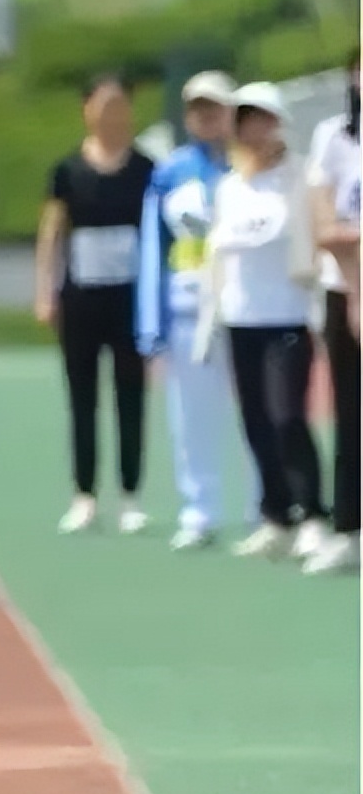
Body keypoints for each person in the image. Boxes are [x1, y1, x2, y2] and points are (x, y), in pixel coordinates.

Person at [195, 83, 328, 561]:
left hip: (288, 317)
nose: (253, 129)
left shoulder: (301, 178)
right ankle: (277, 515)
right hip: (241, 319)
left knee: (288, 415)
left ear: (277, 123)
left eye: (262, 118)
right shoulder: (231, 185)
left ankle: (313, 514)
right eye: (244, 120)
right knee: (255, 421)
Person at [136, 71, 257, 549]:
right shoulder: (170, 172)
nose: (208, 117)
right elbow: (152, 249)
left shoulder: (251, 167)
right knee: (191, 415)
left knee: (257, 412)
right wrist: (151, 322)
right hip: (188, 308)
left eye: (217, 108)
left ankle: (264, 507)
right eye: (198, 109)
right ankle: (199, 509)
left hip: (245, 308)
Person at [35, 75, 154, 535]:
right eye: (103, 105)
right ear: (87, 110)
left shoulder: (146, 168)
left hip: (131, 299)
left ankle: (131, 495)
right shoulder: (68, 171)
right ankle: (84, 494)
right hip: (81, 299)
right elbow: (52, 233)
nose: (112, 114)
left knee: (131, 396)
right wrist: (45, 290)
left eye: (120, 104)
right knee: (82, 398)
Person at [303, 49, 361, 574]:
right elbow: (325, 226)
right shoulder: (334, 137)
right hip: (343, 289)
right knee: (350, 410)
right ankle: (348, 526)